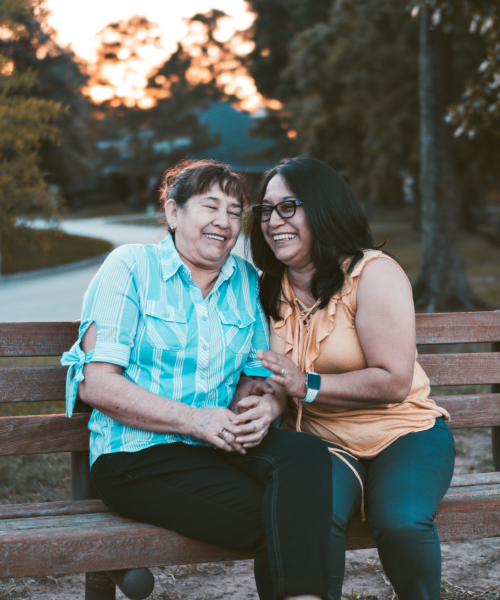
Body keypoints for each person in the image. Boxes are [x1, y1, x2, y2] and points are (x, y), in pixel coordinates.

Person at [61, 159, 334, 600]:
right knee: (286, 518)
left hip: (217, 446)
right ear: (173, 213)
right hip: (136, 457)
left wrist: (263, 406)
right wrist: (194, 420)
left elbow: (257, 375)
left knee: (304, 453)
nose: (223, 222)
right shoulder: (130, 267)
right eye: (210, 206)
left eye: (234, 211)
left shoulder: (245, 280)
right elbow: (97, 384)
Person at [248, 156, 455, 600]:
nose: (273, 221)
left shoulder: (372, 273)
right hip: (321, 442)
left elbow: (394, 380)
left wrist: (308, 384)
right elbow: (269, 376)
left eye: (288, 207)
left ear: (322, 208)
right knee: (308, 520)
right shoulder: (265, 287)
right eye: (266, 209)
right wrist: (265, 399)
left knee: (400, 521)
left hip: (404, 433)